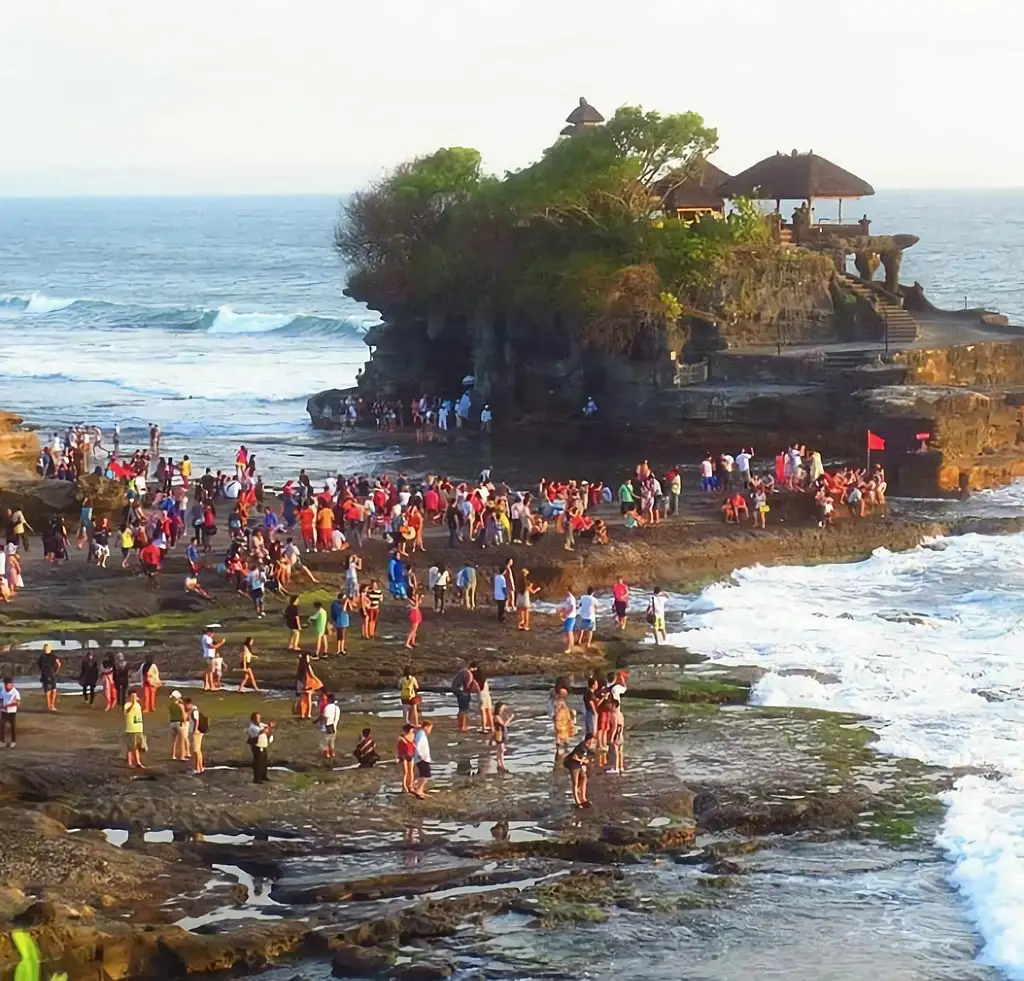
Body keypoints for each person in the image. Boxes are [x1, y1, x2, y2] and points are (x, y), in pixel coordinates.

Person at [564, 734, 595, 808]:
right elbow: (574, 757)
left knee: (584, 778)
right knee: (575, 783)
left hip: (579, 764)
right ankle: (578, 802)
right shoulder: (581, 747)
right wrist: (583, 761)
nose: (592, 744)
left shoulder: (586, 747)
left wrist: (586, 759)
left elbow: (585, 755)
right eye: (591, 742)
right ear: (588, 741)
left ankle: (583, 797)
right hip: (573, 764)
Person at [451, 661, 478, 733]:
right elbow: (467, 686)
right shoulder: (469, 674)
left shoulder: (463, 671)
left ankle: (461, 725)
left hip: (456, 690)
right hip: (461, 692)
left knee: (461, 709)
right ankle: (462, 726)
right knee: (464, 710)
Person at [247, 712, 274, 783]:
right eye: (257, 718)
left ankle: (263, 776)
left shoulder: (260, 724)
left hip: (263, 745)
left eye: (259, 717)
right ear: (253, 719)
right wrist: (268, 727)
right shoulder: (252, 727)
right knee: (258, 763)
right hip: (257, 747)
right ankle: (257, 779)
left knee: (264, 762)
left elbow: (267, 729)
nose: (258, 719)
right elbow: (262, 731)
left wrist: (269, 726)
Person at [184, 697, 207, 774]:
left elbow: (196, 721)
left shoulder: (194, 711)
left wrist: (195, 730)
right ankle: (200, 767)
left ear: (189, 704)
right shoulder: (192, 710)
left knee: (196, 750)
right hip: (197, 731)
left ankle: (198, 768)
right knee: (197, 750)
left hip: (197, 732)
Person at [124, 690, 147, 769]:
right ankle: (133, 762)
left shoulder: (138, 705)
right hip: (131, 729)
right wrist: (133, 703)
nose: (134, 698)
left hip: (139, 728)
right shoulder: (127, 705)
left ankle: (135, 762)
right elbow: (127, 711)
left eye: (135, 696)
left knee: (138, 746)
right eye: (132, 696)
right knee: (132, 747)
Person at [412, 719, 434, 798]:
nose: (430, 731)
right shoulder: (421, 734)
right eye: (430, 728)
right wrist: (421, 755)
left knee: (421, 774)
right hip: (422, 758)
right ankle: (419, 790)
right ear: (426, 727)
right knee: (426, 775)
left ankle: (418, 788)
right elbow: (418, 745)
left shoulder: (421, 734)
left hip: (422, 757)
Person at [491, 701, 513, 773]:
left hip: (499, 733)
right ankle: (501, 765)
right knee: (501, 751)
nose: (503, 710)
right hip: (500, 734)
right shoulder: (496, 717)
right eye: (502, 709)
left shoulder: (496, 716)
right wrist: (510, 718)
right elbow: (504, 725)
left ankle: (499, 764)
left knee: (500, 750)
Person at [38, 643, 61, 713]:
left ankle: (49, 706)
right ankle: (52, 705)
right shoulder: (53, 656)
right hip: (52, 674)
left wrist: (42, 670)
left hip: (45, 674)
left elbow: (39, 666)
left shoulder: (41, 657)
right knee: (53, 690)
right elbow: (59, 664)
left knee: (47, 691)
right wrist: (56, 671)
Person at [318, 693, 340, 761]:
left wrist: (321, 725)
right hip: (334, 728)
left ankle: (326, 755)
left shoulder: (327, 708)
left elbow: (325, 718)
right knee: (332, 742)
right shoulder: (337, 708)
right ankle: (332, 753)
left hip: (327, 729)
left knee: (324, 743)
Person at [168, 689, 189, 761]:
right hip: (179, 723)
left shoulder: (170, 705)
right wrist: (185, 722)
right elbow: (183, 715)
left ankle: (173, 755)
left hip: (171, 723)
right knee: (182, 741)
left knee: (173, 741)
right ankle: (182, 756)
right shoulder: (180, 705)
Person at [397, 724, 417, 794]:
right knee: (405, 772)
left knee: (410, 771)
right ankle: (404, 786)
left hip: (410, 754)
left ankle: (410, 785)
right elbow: (399, 748)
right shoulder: (402, 738)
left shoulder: (413, 735)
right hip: (403, 755)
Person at [1, 677, 20, 749]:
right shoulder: (2, 691)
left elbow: (18, 703)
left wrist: (8, 706)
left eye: (9, 684)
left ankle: (13, 741)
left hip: (12, 711)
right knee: (1, 726)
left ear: (12, 684)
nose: (7, 686)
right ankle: (2, 741)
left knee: (13, 726)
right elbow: (1, 699)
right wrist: (1, 705)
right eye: (5, 684)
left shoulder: (15, 692)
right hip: (4, 712)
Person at [607, 697, 625, 773]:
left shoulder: (614, 715)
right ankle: (621, 766)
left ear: (614, 705)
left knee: (615, 752)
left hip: (616, 734)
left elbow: (614, 727)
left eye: (611, 704)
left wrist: (611, 737)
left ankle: (615, 767)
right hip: (621, 734)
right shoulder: (620, 714)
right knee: (620, 751)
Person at [476, 666, 493, 734]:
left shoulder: (477, 682)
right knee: (489, 712)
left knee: (483, 713)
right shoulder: (485, 681)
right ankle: (492, 727)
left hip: (481, 697)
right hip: (487, 697)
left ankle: (483, 728)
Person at [560, 590, 578, 655]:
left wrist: (565, 613)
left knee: (569, 632)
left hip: (571, 617)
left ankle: (569, 648)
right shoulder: (568, 598)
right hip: (568, 617)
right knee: (568, 632)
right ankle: (571, 646)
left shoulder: (571, 598)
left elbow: (572, 608)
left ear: (568, 591)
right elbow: (566, 607)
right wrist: (561, 611)